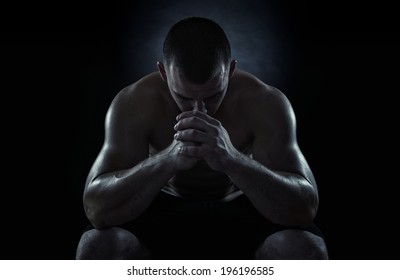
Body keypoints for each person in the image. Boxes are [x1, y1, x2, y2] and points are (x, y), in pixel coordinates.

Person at [75, 16, 329, 260]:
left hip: (240, 208)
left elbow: (304, 209)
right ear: (164, 73)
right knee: (97, 248)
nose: (199, 110)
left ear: (230, 71)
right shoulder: (134, 102)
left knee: (306, 249)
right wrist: (168, 160)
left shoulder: (265, 102)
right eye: (184, 97)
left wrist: (231, 159)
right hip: (162, 208)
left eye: (212, 95)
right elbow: (97, 209)